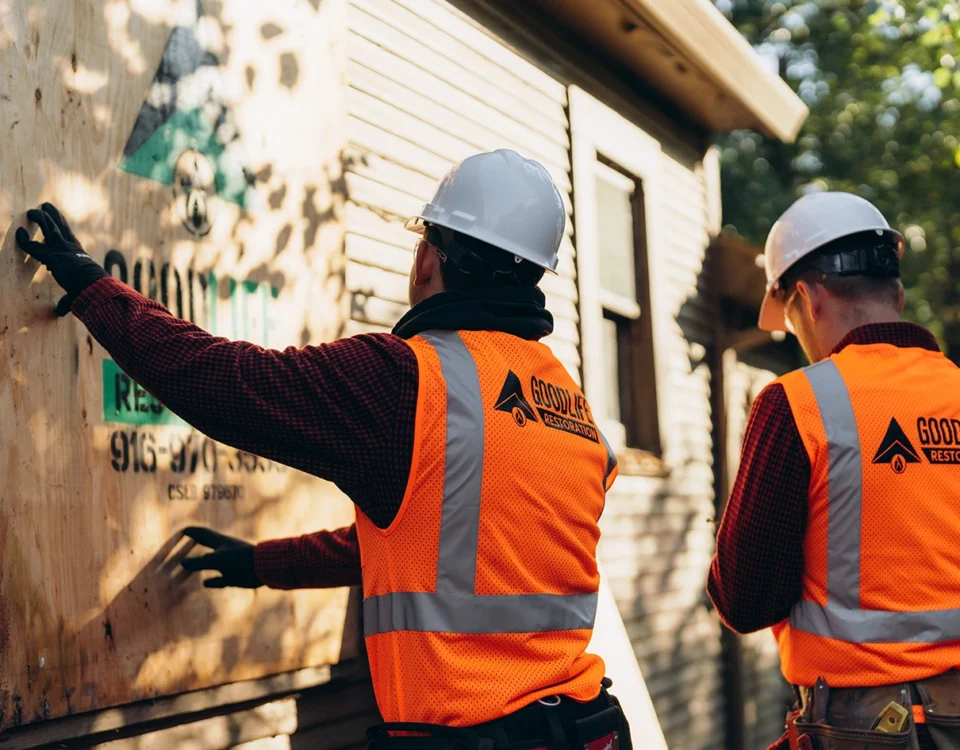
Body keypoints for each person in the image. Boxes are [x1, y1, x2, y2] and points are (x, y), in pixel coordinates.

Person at [15, 149, 630, 749]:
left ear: (426, 259)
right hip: (583, 729)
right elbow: (423, 553)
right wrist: (262, 563)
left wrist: (95, 288)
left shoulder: (408, 381)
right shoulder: (572, 412)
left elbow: (224, 383)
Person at [708, 191, 960, 750]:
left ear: (806, 298)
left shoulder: (798, 402)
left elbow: (744, 601)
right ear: (895, 292)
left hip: (862, 728)